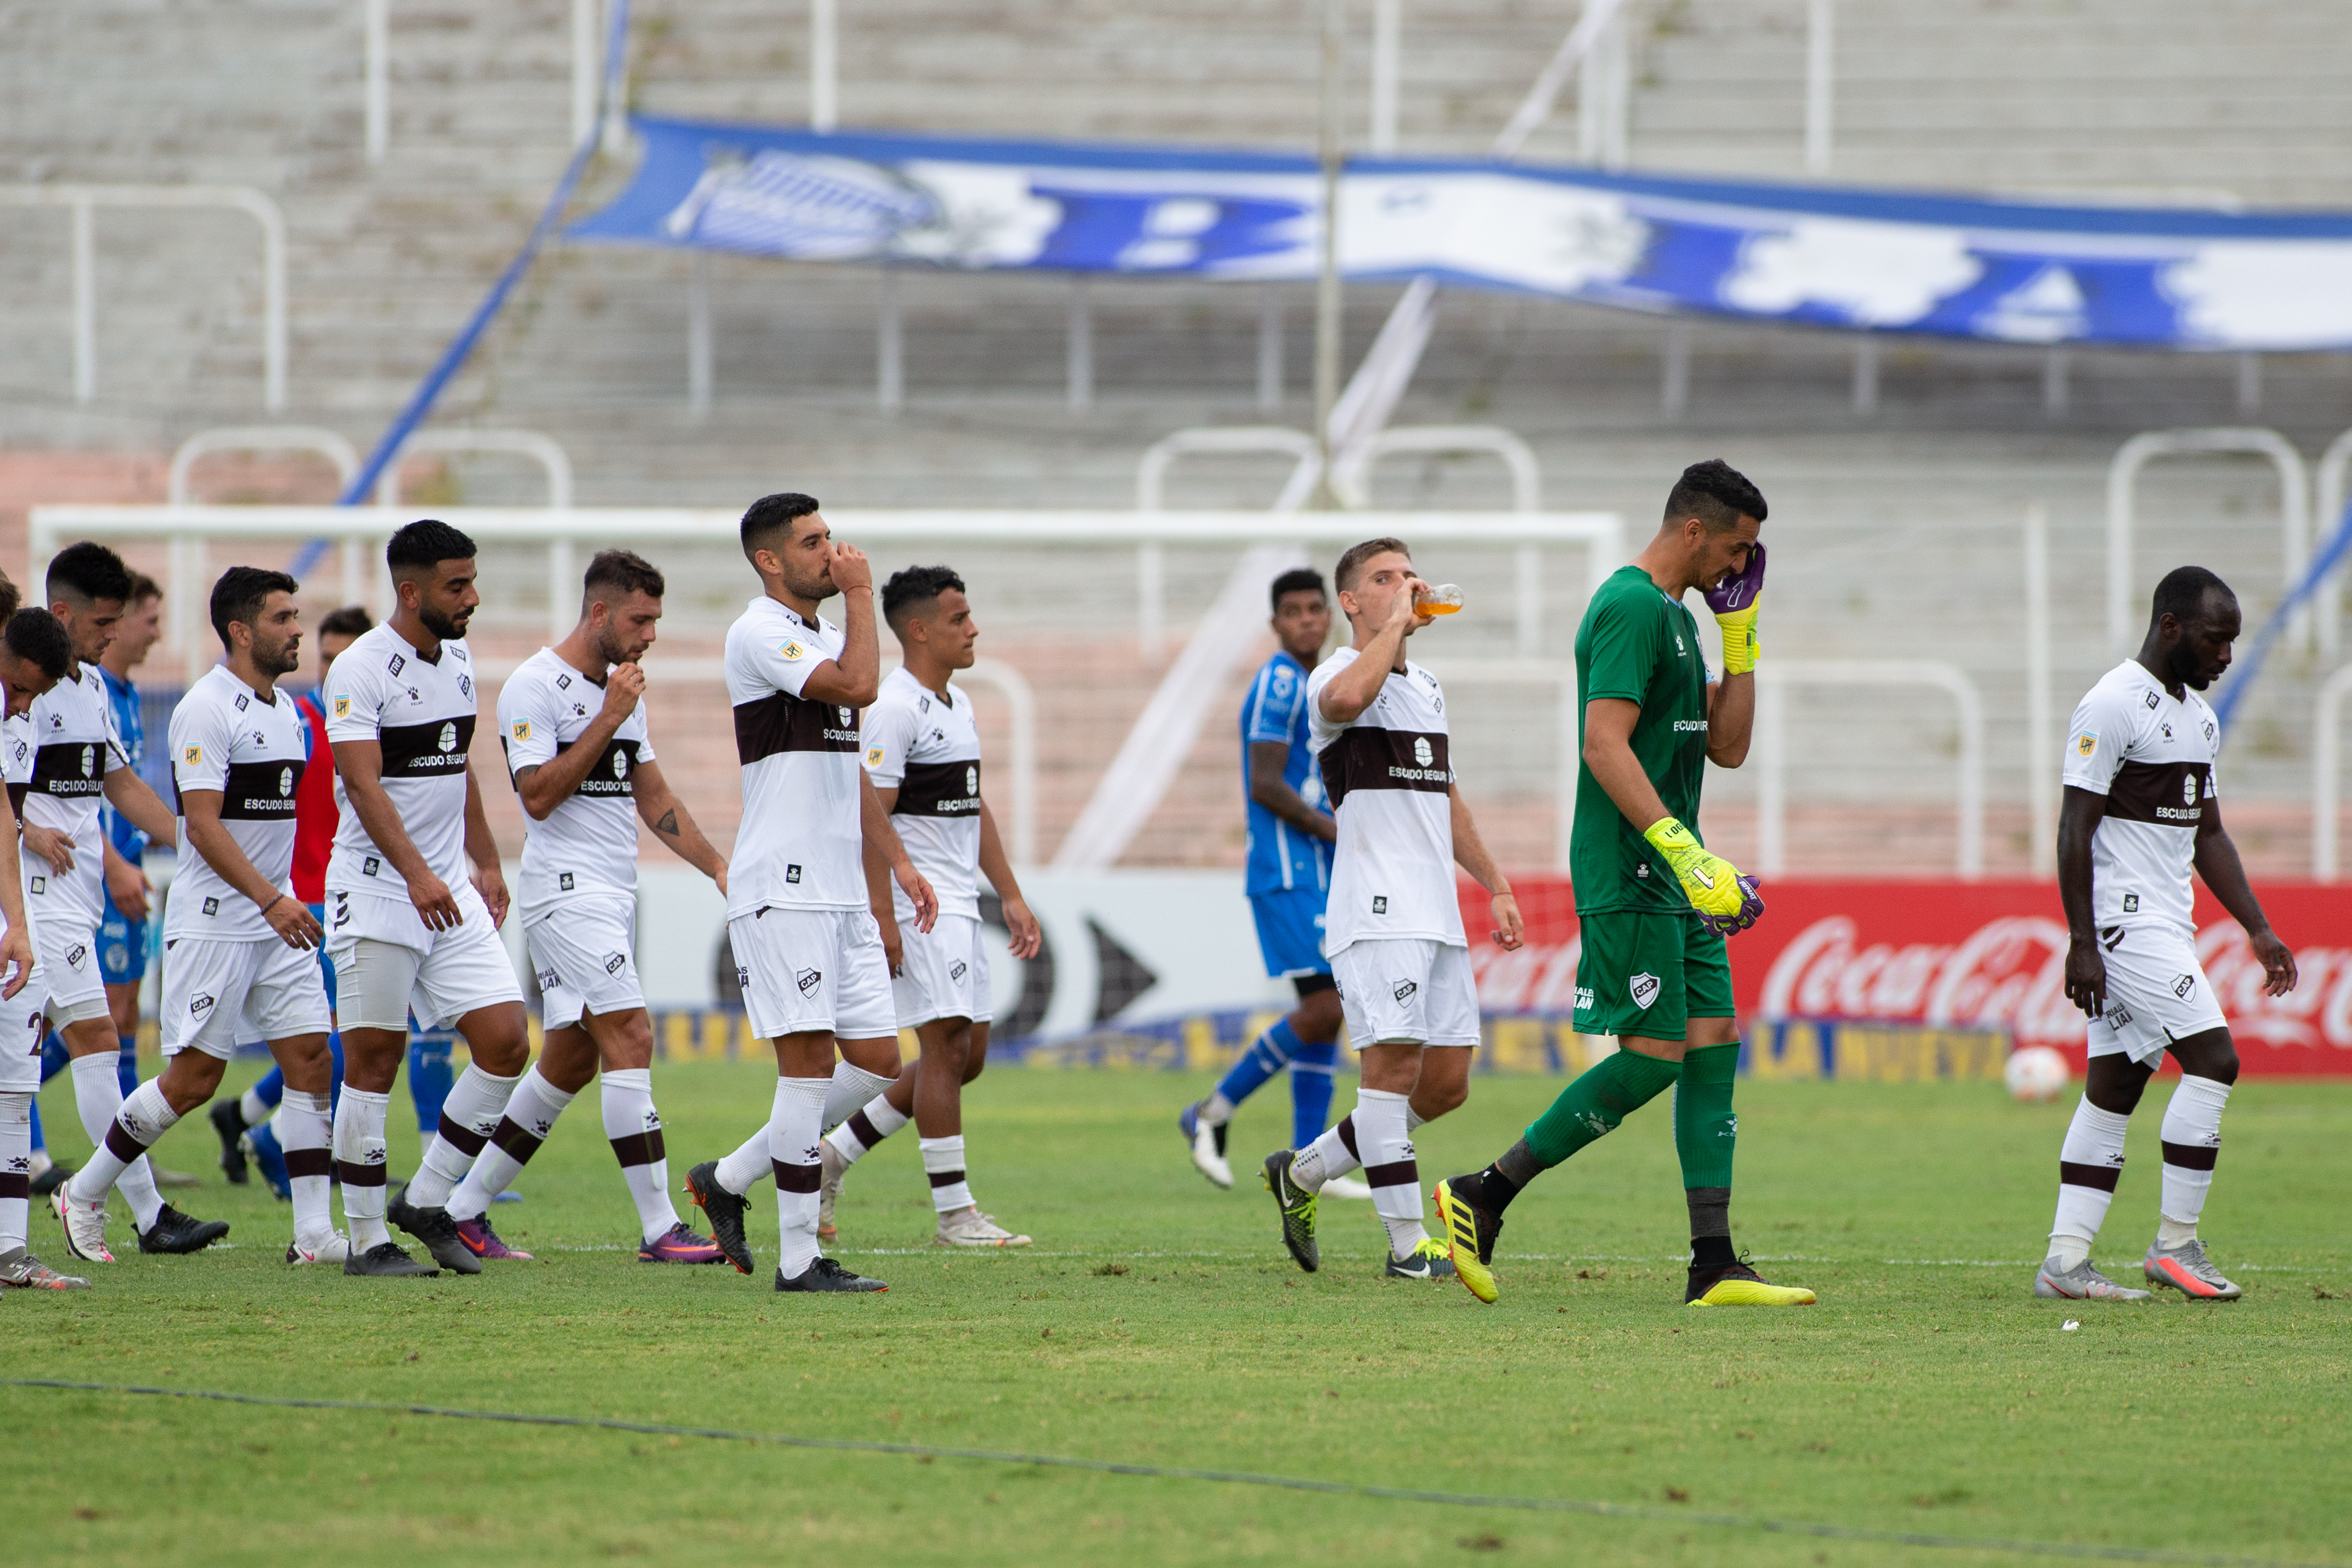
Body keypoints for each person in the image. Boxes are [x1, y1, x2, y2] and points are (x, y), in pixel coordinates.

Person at [1431, 459, 1812, 1310]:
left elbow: (1727, 747)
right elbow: (1601, 745)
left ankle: (1712, 1263)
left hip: (1676, 871)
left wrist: (1740, 639)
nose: (1736, 567)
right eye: (1734, 549)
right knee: (1649, 1059)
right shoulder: (1629, 605)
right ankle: (1480, 1193)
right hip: (1632, 868)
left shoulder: (1677, 618)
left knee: (1713, 1040)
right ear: (1691, 531)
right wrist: (1682, 851)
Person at [433, 550, 729, 1264]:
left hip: (610, 893)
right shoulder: (535, 686)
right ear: (599, 612)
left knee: (570, 1060)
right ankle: (661, 1227)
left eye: (656, 619)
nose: (651, 634)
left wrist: (721, 867)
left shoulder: (623, 693)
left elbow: (652, 797)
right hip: (565, 893)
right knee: (632, 1034)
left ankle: (463, 1209)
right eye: (640, 619)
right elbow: (535, 793)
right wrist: (610, 713)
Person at [682, 493, 936, 1295]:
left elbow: (847, 764)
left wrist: (894, 861)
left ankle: (725, 1179)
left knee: (876, 1062)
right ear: (769, 560)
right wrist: (865, 594)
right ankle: (800, 1262)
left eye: (829, 538)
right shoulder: (758, 630)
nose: (830, 551)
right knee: (806, 1068)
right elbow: (860, 689)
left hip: (839, 892)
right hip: (784, 885)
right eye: (811, 541)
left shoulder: (822, 635)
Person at [52, 570, 342, 1266]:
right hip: (220, 918)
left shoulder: (288, 712)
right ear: (241, 631)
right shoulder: (206, 709)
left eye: (296, 614)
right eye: (283, 617)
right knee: (193, 1080)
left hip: (276, 919)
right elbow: (202, 827)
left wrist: (281, 899)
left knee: (310, 1058)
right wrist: (271, 899)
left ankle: (313, 1236)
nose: (297, 628)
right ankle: (85, 1192)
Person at [1260, 536, 1522, 1282]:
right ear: (1351, 601)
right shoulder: (1336, 673)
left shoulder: (1428, 686)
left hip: (1435, 907)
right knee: (1392, 1067)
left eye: (1410, 574)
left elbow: (1445, 796)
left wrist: (1495, 883)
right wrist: (1394, 630)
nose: (1406, 585)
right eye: (1384, 578)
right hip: (1376, 907)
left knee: (1445, 1085)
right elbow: (1347, 702)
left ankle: (1303, 1172)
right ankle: (1410, 1249)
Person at [2036, 566, 2296, 1303]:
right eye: (2216, 640)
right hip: (2123, 924)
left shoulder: (2199, 720)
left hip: (2164, 922)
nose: (2225, 657)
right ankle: (2175, 1246)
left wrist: (2257, 926)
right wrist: (2081, 939)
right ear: (2172, 626)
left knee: (2115, 1086)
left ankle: (2064, 1262)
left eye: (2233, 643)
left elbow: (2207, 832)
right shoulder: (2112, 703)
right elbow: (2072, 827)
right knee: (2214, 1059)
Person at [323, 519, 530, 1278]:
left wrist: (486, 860)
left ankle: (428, 1197)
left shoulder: (461, 657)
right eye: (457, 585)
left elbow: (457, 764)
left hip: (448, 887)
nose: (471, 597)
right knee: (373, 1060)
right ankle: (369, 1240)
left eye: (472, 580)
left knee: (507, 1040)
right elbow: (362, 782)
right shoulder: (358, 669)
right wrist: (415, 871)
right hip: (379, 890)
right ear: (410, 592)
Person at [817, 564, 1043, 1248]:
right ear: (918, 630)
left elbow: (973, 808)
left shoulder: (956, 703)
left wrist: (1010, 892)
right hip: (921, 910)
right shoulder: (894, 707)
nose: (972, 628)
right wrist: (883, 915)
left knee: (965, 1056)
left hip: (959, 904)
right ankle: (955, 1214)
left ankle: (833, 1154)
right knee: (942, 1046)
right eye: (958, 618)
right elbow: (867, 817)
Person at [19, 543, 222, 1255]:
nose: (114, 634)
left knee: (60, 1045)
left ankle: (136, 1212)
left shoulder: (93, 688)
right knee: (98, 1043)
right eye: (104, 623)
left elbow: (119, 783)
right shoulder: (20, 686)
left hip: (81, 893)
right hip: (33, 894)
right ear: (63, 611)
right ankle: (134, 1210)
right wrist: (25, 827)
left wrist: (192, 843)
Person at [1178, 567, 1364, 1196]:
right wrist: (1332, 829)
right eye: (1294, 611)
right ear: (1276, 624)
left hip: (1317, 870)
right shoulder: (1278, 681)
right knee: (1325, 1006)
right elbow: (1263, 783)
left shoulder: (1320, 680)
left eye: (1316, 608)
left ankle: (1308, 1156)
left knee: (1326, 1011)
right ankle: (1212, 1110)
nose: (1308, 619)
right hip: (1287, 870)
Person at [210, 605, 368, 1194]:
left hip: (353, 893)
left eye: (346, 659)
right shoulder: (293, 718)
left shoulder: (369, 722)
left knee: (339, 1039)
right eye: (327, 658)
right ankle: (272, 1137)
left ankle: (247, 1116)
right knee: (347, 1038)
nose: (333, 670)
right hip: (306, 900)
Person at [1, 603, 87, 1289]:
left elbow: (5, 822)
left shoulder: (20, 724)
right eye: (17, 685)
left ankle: (9, 1253)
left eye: (33, 694)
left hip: (12, 920)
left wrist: (16, 923)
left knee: (14, 1085)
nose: (20, 701)